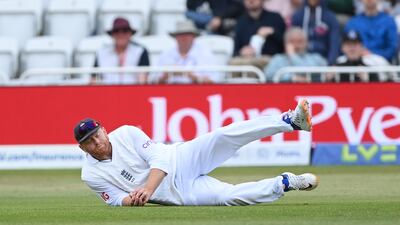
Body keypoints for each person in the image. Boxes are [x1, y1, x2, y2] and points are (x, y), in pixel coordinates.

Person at [74, 99, 319, 207]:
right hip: (177, 195)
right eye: (90, 141)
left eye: (97, 134)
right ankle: (285, 183)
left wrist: (146, 189)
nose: (97, 142)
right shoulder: (90, 175)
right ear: (82, 148)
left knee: (222, 136)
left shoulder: (127, 133)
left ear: (104, 130)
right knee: (228, 197)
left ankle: (291, 121)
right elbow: (116, 200)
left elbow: (159, 159)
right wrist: (134, 201)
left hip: (181, 158)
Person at [154, 20, 221, 84]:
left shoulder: (205, 54)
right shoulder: (166, 54)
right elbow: (154, 81)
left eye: (187, 34)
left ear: (193, 36)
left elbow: (214, 81)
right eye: (180, 34)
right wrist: (166, 75)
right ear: (176, 37)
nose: (184, 37)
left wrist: (189, 75)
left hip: (198, 92)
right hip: (170, 92)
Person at [230, 0, 286, 70]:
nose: (251, 1)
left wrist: (272, 31)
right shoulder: (241, 22)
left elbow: (285, 42)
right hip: (246, 62)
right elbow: (235, 50)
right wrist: (242, 52)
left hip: (270, 62)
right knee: (234, 63)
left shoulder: (275, 17)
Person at [93, 17, 150, 85]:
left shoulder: (140, 52)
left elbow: (142, 80)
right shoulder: (101, 53)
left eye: (125, 31)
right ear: (112, 34)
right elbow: (94, 78)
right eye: (117, 31)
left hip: (133, 92)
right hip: (106, 92)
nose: (121, 34)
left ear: (130, 33)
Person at [292, 0, 341, 65]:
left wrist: (330, 63)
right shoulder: (297, 16)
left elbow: (335, 42)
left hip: (322, 60)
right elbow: (291, 40)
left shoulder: (330, 17)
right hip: (300, 59)